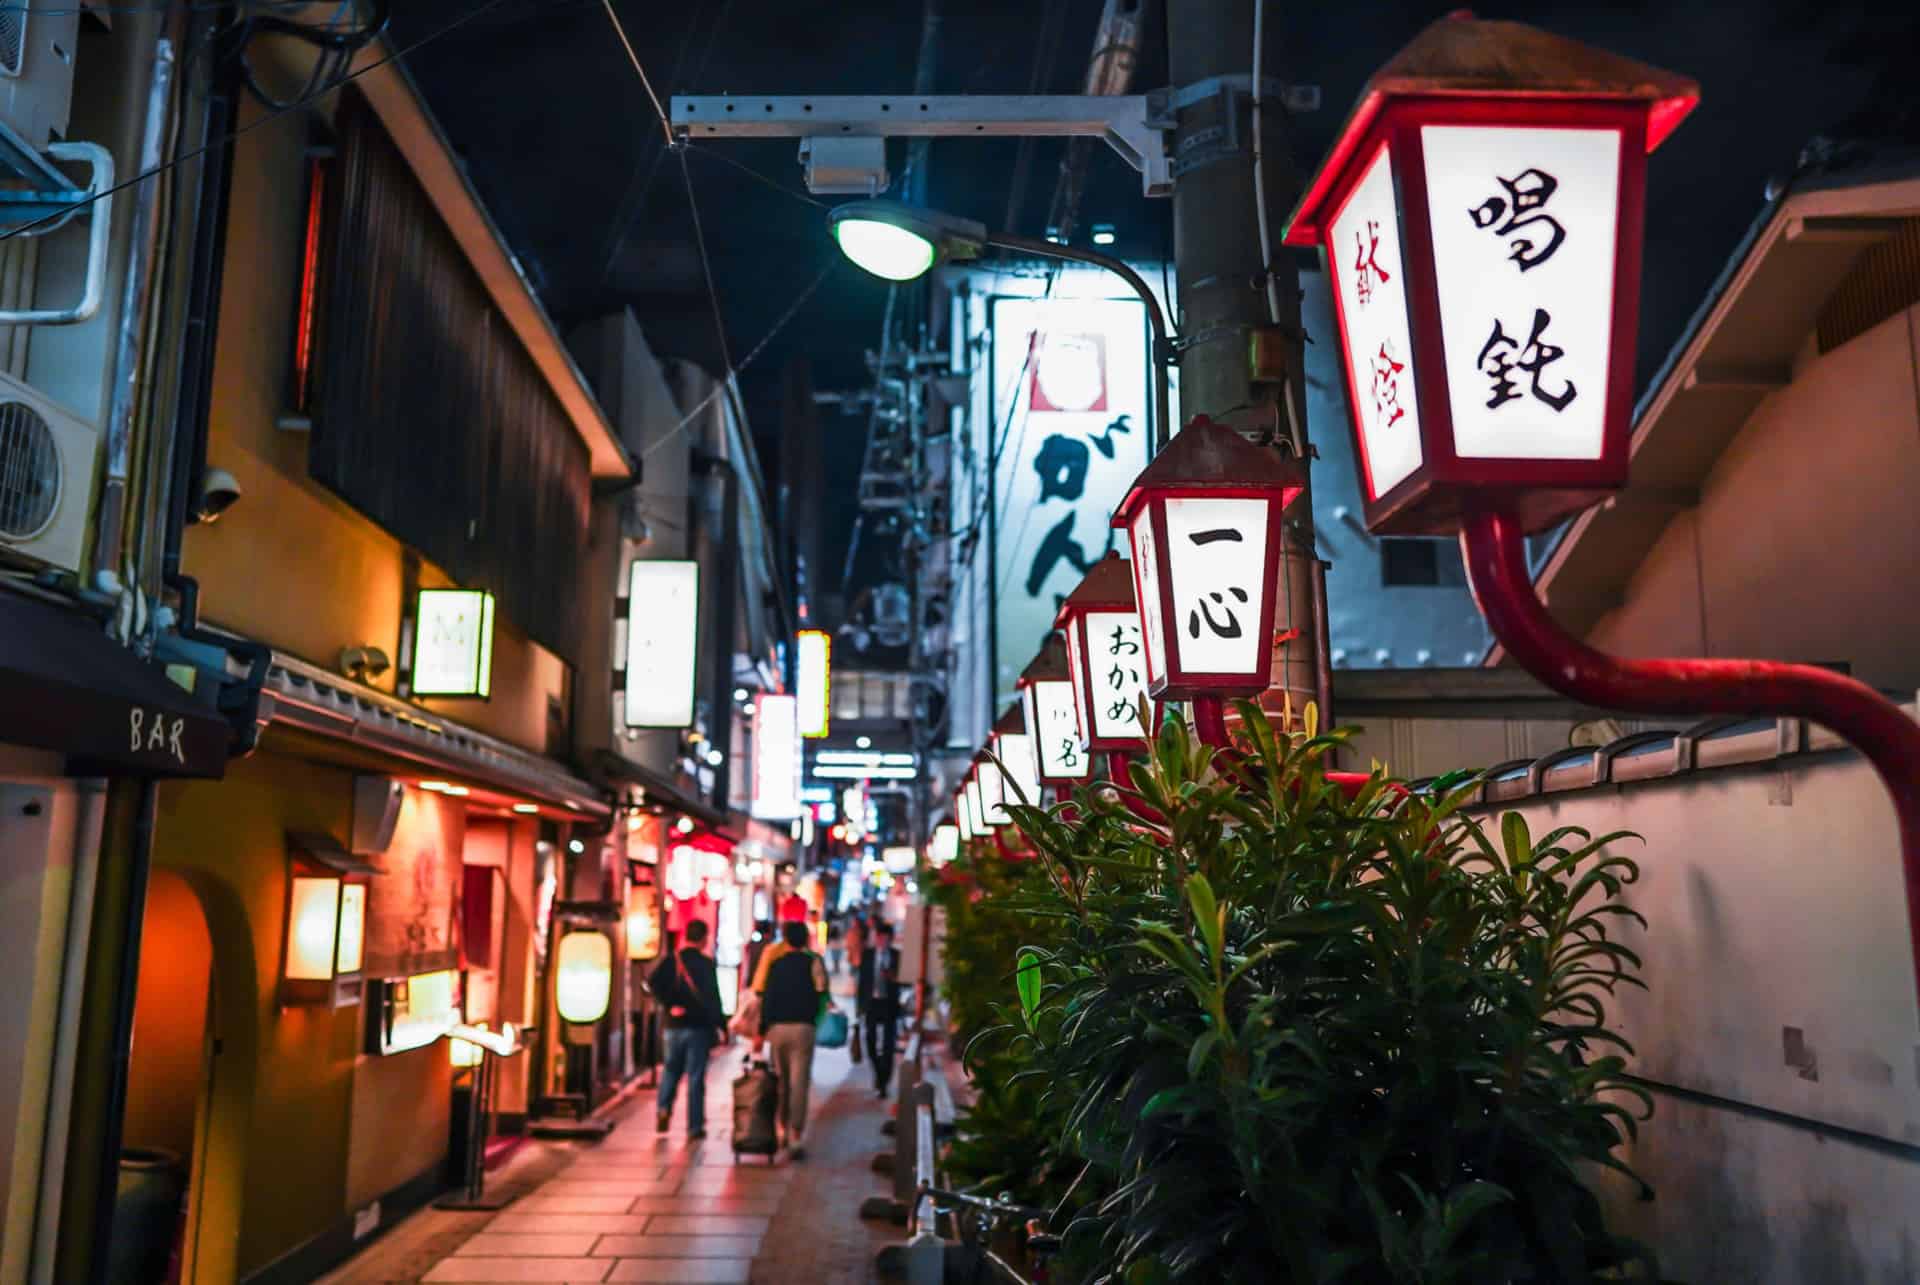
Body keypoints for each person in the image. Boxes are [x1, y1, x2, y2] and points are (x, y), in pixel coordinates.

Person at [750, 920, 829, 1160]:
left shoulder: (777, 964)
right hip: (803, 1029)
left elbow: (767, 999)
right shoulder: (813, 962)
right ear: (805, 939)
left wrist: (761, 1032)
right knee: (799, 1082)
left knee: (781, 1081)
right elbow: (822, 991)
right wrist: (815, 1016)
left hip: (778, 1029)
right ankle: (795, 1135)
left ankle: (781, 1128)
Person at [647, 919, 725, 1138]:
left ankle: (663, 1109)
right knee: (695, 1076)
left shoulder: (672, 960)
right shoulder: (706, 964)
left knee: (671, 1070)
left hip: (673, 1026)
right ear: (703, 939)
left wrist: (670, 1006)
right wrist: (721, 1024)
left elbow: (652, 984)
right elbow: (713, 997)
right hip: (698, 1027)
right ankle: (694, 1126)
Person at [856, 919, 901, 1098]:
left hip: (889, 1004)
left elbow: (903, 981)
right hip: (871, 1003)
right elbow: (862, 982)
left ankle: (884, 1081)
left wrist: (892, 977)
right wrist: (859, 1008)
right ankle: (878, 1072)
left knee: (889, 1045)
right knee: (871, 1041)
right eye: (879, 937)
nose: (881, 940)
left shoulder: (897, 956)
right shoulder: (868, 955)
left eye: (885, 937)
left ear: (890, 938)